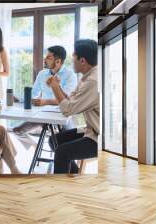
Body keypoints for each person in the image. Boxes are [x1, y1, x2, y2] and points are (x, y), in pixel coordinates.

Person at [46, 39, 99, 174]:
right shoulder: (85, 77)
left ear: (82, 60)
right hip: (85, 129)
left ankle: (62, 190)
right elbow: (71, 100)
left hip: (96, 136)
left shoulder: (92, 81)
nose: (71, 60)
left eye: (73, 57)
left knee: (61, 152)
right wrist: (58, 87)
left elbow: (68, 110)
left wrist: (55, 88)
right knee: (54, 141)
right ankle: (74, 176)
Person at [12, 46, 78, 135]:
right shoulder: (42, 74)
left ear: (58, 61)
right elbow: (34, 93)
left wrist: (45, 101)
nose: (44, 59)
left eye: (48, 58)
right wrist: (19, 98)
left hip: (62, 114)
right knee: (17, 130)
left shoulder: (70, 75)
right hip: (43, 113)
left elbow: (67, 100)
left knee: (67, 137)